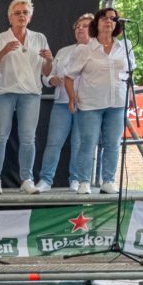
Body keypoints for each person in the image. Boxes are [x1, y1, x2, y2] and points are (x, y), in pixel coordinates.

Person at [65, 7, 135, 195]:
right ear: (97, 23)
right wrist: (72, 97)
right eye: (104, 18)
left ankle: (109, 181)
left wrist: (130, 94)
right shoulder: (87, 48)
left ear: (118, 24)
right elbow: (69, 76)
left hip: (117, 103)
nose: (108, 21)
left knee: (113, 143)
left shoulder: (125, 46)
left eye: (113, 18)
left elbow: (130, 73)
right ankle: (84, 181)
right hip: (90, 104)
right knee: (88, 143)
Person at [0, 0, 53, 194]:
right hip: (3, 93)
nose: (21, 16)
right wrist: (3, 52)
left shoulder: (39, 38)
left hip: (31, 94)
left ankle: (27, 179)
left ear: (30, 17)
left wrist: (50, 60)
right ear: (9, 18)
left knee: (28, 138)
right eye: (17, 13)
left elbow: (47, 72)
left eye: (25, 12)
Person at [36, 13, 93, 192]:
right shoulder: (63, 51)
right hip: (61, 102)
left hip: (86, 105)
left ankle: (76, 180)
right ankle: (46, 180)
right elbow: (48, 75)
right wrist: (50, 80)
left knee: (79, 144)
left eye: (85, 26)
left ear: (93, 29)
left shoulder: (97, 51)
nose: (80, 29)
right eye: (78, 27)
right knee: (53, 142)